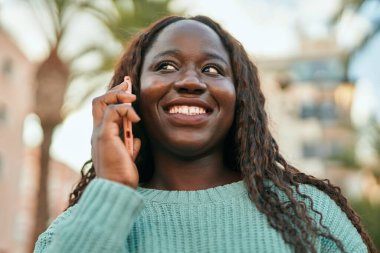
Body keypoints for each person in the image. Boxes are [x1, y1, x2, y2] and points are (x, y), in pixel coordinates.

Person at [34, 15, 376, 253]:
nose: (191, 82)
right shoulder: (73, 230)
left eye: (212, 69)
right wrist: (111, 187)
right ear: (129, 91)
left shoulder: (307, 211)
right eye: (165, 66)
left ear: (240, 97)